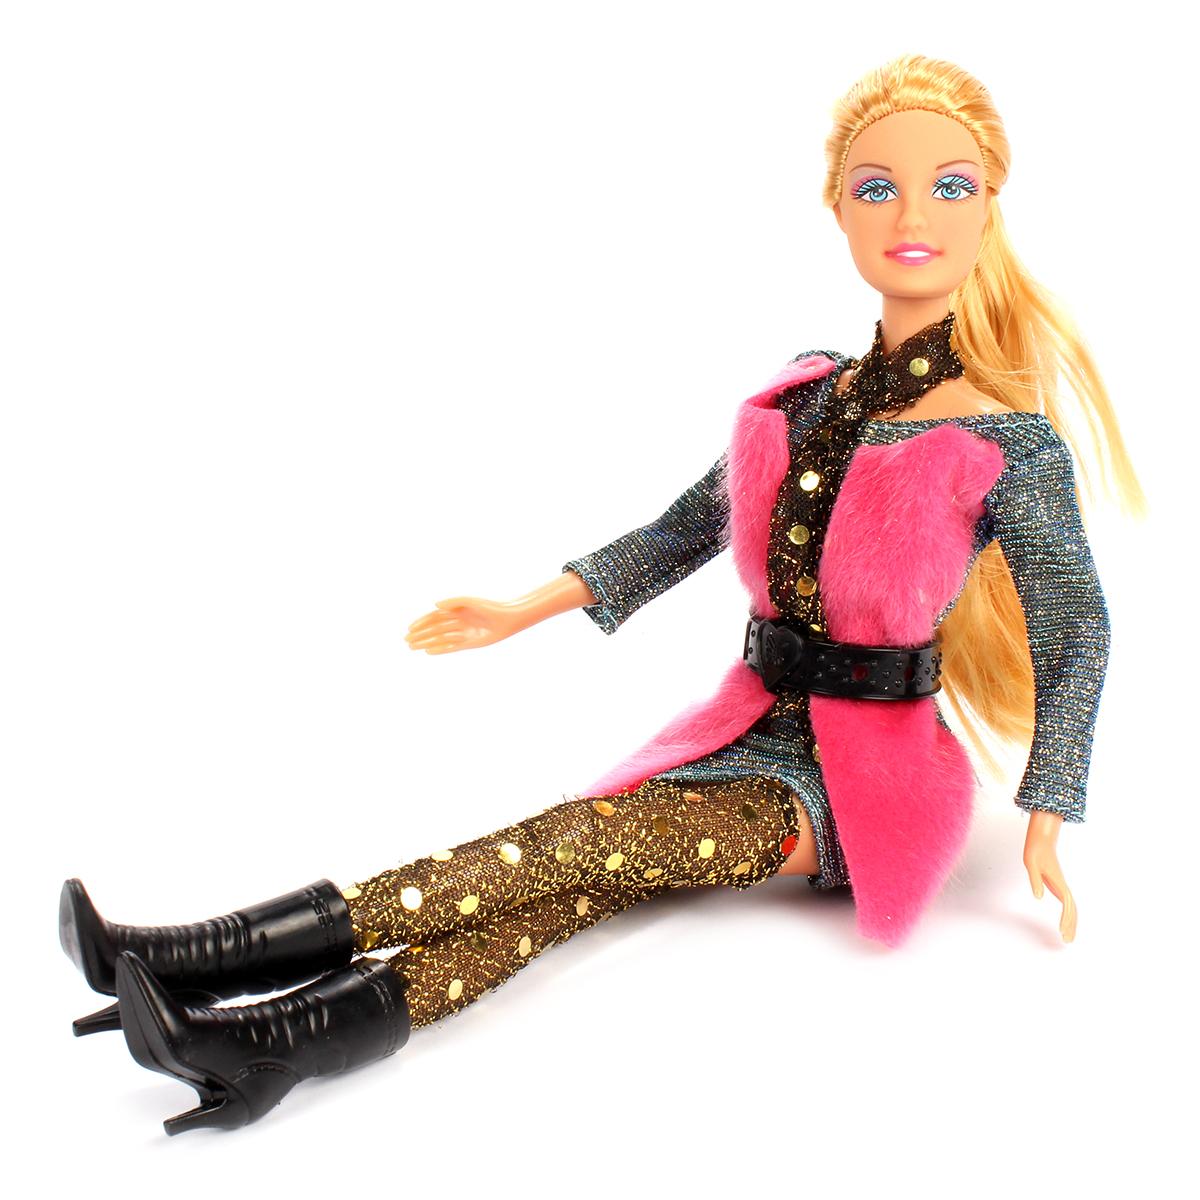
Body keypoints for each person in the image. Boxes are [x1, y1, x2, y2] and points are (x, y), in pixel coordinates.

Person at [57, 53, 1144, 1135]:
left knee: (573, 846)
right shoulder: (803, 396)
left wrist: (1048, 813)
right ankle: (274, 1048)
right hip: (747, 724)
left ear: (989, 206)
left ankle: (193, 958)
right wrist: (521, 608)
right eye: (877, 187)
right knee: (575, 885)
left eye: (950, 186)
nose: (912, 215)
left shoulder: (1007, 443)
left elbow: (1076, 628)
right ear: (838, 209)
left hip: (867, 781)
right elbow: (680, 532)